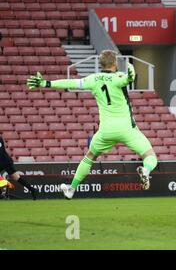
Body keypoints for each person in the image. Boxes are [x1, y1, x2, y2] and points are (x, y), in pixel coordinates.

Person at [27, 50, 158, 199]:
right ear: (114, 62)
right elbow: (127, 79)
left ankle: (71, 189)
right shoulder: (118, 77)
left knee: (90, 156)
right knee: (149, 155)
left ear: (101, 64)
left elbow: (71, 83)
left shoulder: (93, 79)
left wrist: (46, 83)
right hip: (126, 128)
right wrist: (131, 75)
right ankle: (146, 171)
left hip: (106, 130)